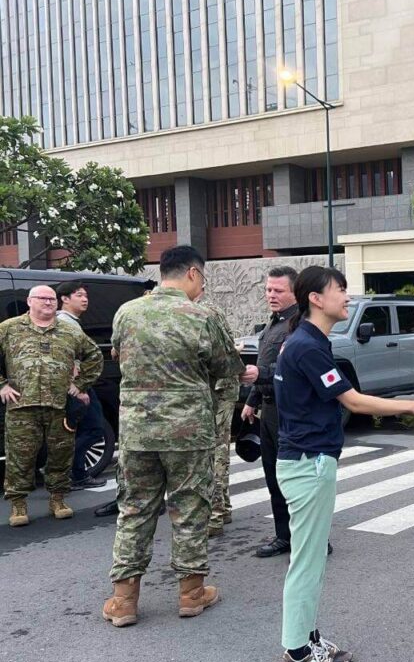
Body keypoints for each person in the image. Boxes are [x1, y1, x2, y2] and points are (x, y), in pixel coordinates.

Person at [273, 265, 414, 662]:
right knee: (307, 562)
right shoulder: (307, 346)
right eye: (340, 289)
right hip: (308, 464)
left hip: (307, 460)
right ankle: (296, 655)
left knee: (312, 558)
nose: (347, 297)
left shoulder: (308, 342)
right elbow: (353, 401)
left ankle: (307, 637)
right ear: (316, 298)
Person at [102, 246, 257, 628]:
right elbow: (227, 366)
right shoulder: (202, 316)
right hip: (188, 431)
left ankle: (124, 600)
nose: (201, 286)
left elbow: (118, 356)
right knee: (189, 508)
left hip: (137, 430)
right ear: (191, 273)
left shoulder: (127, 312)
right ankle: (191, 594)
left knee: (134, 509)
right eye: (202, 278)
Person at [241, 267, 334, 558]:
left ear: (295, 293)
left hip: (292, 413)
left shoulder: (302, 326)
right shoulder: (274, 324)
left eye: (278, 290)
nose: (271, 295)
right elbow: (266, 362)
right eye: (268, 290)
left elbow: (289, 369)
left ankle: (315, 539)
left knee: (300, 480)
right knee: (274, 477)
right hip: (270, 410)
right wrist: (253, 399)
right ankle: (285, 536)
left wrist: (260, 374)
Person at [0, 286, 103, 526]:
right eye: (42, 298)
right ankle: (18, 503)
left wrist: (81, 385)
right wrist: (2, 385)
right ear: (29, 301)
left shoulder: (69, 331)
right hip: (22, 406)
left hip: (59, 406)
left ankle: (58, 499)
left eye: (51, 299)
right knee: (20, 457)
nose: (48, 302)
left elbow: (95, 356)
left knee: (61, 454)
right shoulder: (9, 329)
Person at [54, 281, 108, 493]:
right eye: (79, 295)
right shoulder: (64, 323)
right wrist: (79, 388)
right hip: (76, 386)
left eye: (85, 295)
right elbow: (66, 358)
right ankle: (69, 472)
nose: (85, 299)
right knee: (94, 428)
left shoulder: (69, 321)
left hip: (74, 384)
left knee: (81, 430)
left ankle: (75, 473)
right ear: (64, 299)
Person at [207, 304, 241, 537]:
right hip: (218, 387)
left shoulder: (205, 312)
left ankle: (215, 514)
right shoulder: (204, 310)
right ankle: (223, 507)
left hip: (220, 388)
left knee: (216, 451)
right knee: (218, 449)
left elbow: (227, 352)